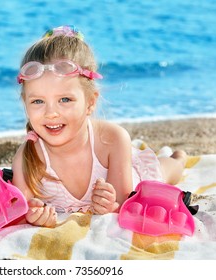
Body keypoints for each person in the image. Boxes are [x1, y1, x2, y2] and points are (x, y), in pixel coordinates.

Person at [11, 25, 187, 228]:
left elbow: (123, 204)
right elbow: (22, 211)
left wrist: (111, 205)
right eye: (38, 102)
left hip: (132, 177)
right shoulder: (27, 156)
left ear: (90, 102)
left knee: (164, 172)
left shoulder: (113, 138)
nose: (51, 113)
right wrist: (35, 216)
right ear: (25, 103)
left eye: (65, 99)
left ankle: (178, 158)